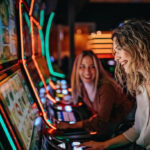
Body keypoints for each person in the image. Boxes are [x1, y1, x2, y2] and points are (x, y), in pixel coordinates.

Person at [82, 19, 150, 150]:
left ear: (137, 46)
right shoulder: (141, 86)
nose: (116, 58)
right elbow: (137, 129)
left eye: (119, 50)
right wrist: (103, 145)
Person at [56, 50, 134, 139]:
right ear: (77, 69)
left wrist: (72, 125)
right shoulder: (82, 89)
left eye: (92, 67)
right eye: (82, 67)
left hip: (126, 130)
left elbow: (101, 121)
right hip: (112, 129)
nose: (87, 71)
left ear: (97, 68)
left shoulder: (106, 88)